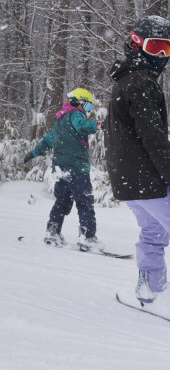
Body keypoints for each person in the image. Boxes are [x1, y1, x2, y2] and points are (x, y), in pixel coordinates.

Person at [104, 16, 170, 320]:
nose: (161, 56)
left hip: (128, 181)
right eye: (156, 47)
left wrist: (122, 176)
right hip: (145, 177)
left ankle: (149, 286)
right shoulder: (141, 83)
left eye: (167, 49)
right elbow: (154, 141)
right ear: (137, 44)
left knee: (152, 230)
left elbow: (116, 136)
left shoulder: (124, 80)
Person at [24, 88, 104, 252]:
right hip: (76, 167)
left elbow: (47, 140)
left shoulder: (60, 121)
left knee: (62, 201)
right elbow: (82, 126)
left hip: (60, 168)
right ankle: (87, 238)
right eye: (88, 107)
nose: (88, 111)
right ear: (79, 102)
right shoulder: (75, 115)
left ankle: (52, 233)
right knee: (84, 202)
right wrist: (97, 124)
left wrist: (32, 153)